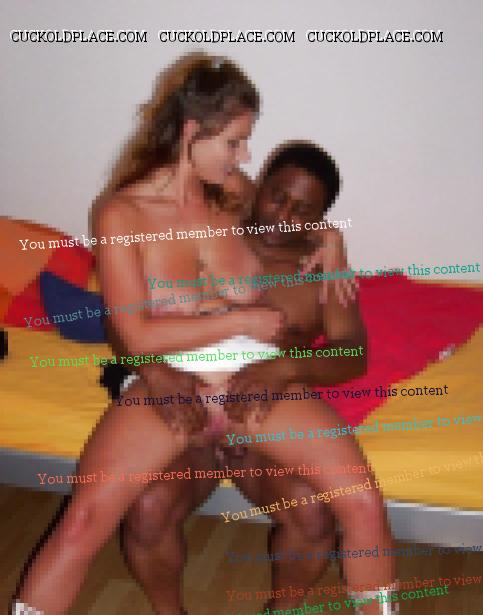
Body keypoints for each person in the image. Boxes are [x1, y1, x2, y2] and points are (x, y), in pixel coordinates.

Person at [14, 56, 395, 615]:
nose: (245, 157)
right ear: (193, 131)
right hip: (174, 376)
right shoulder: (120, 214)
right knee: (83, 521)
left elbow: (290, 212)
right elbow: (134, 333)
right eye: (235, 142)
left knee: (361, 503)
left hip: (253, 379)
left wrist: (333, 238)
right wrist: (239, 321)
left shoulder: (230, 192)